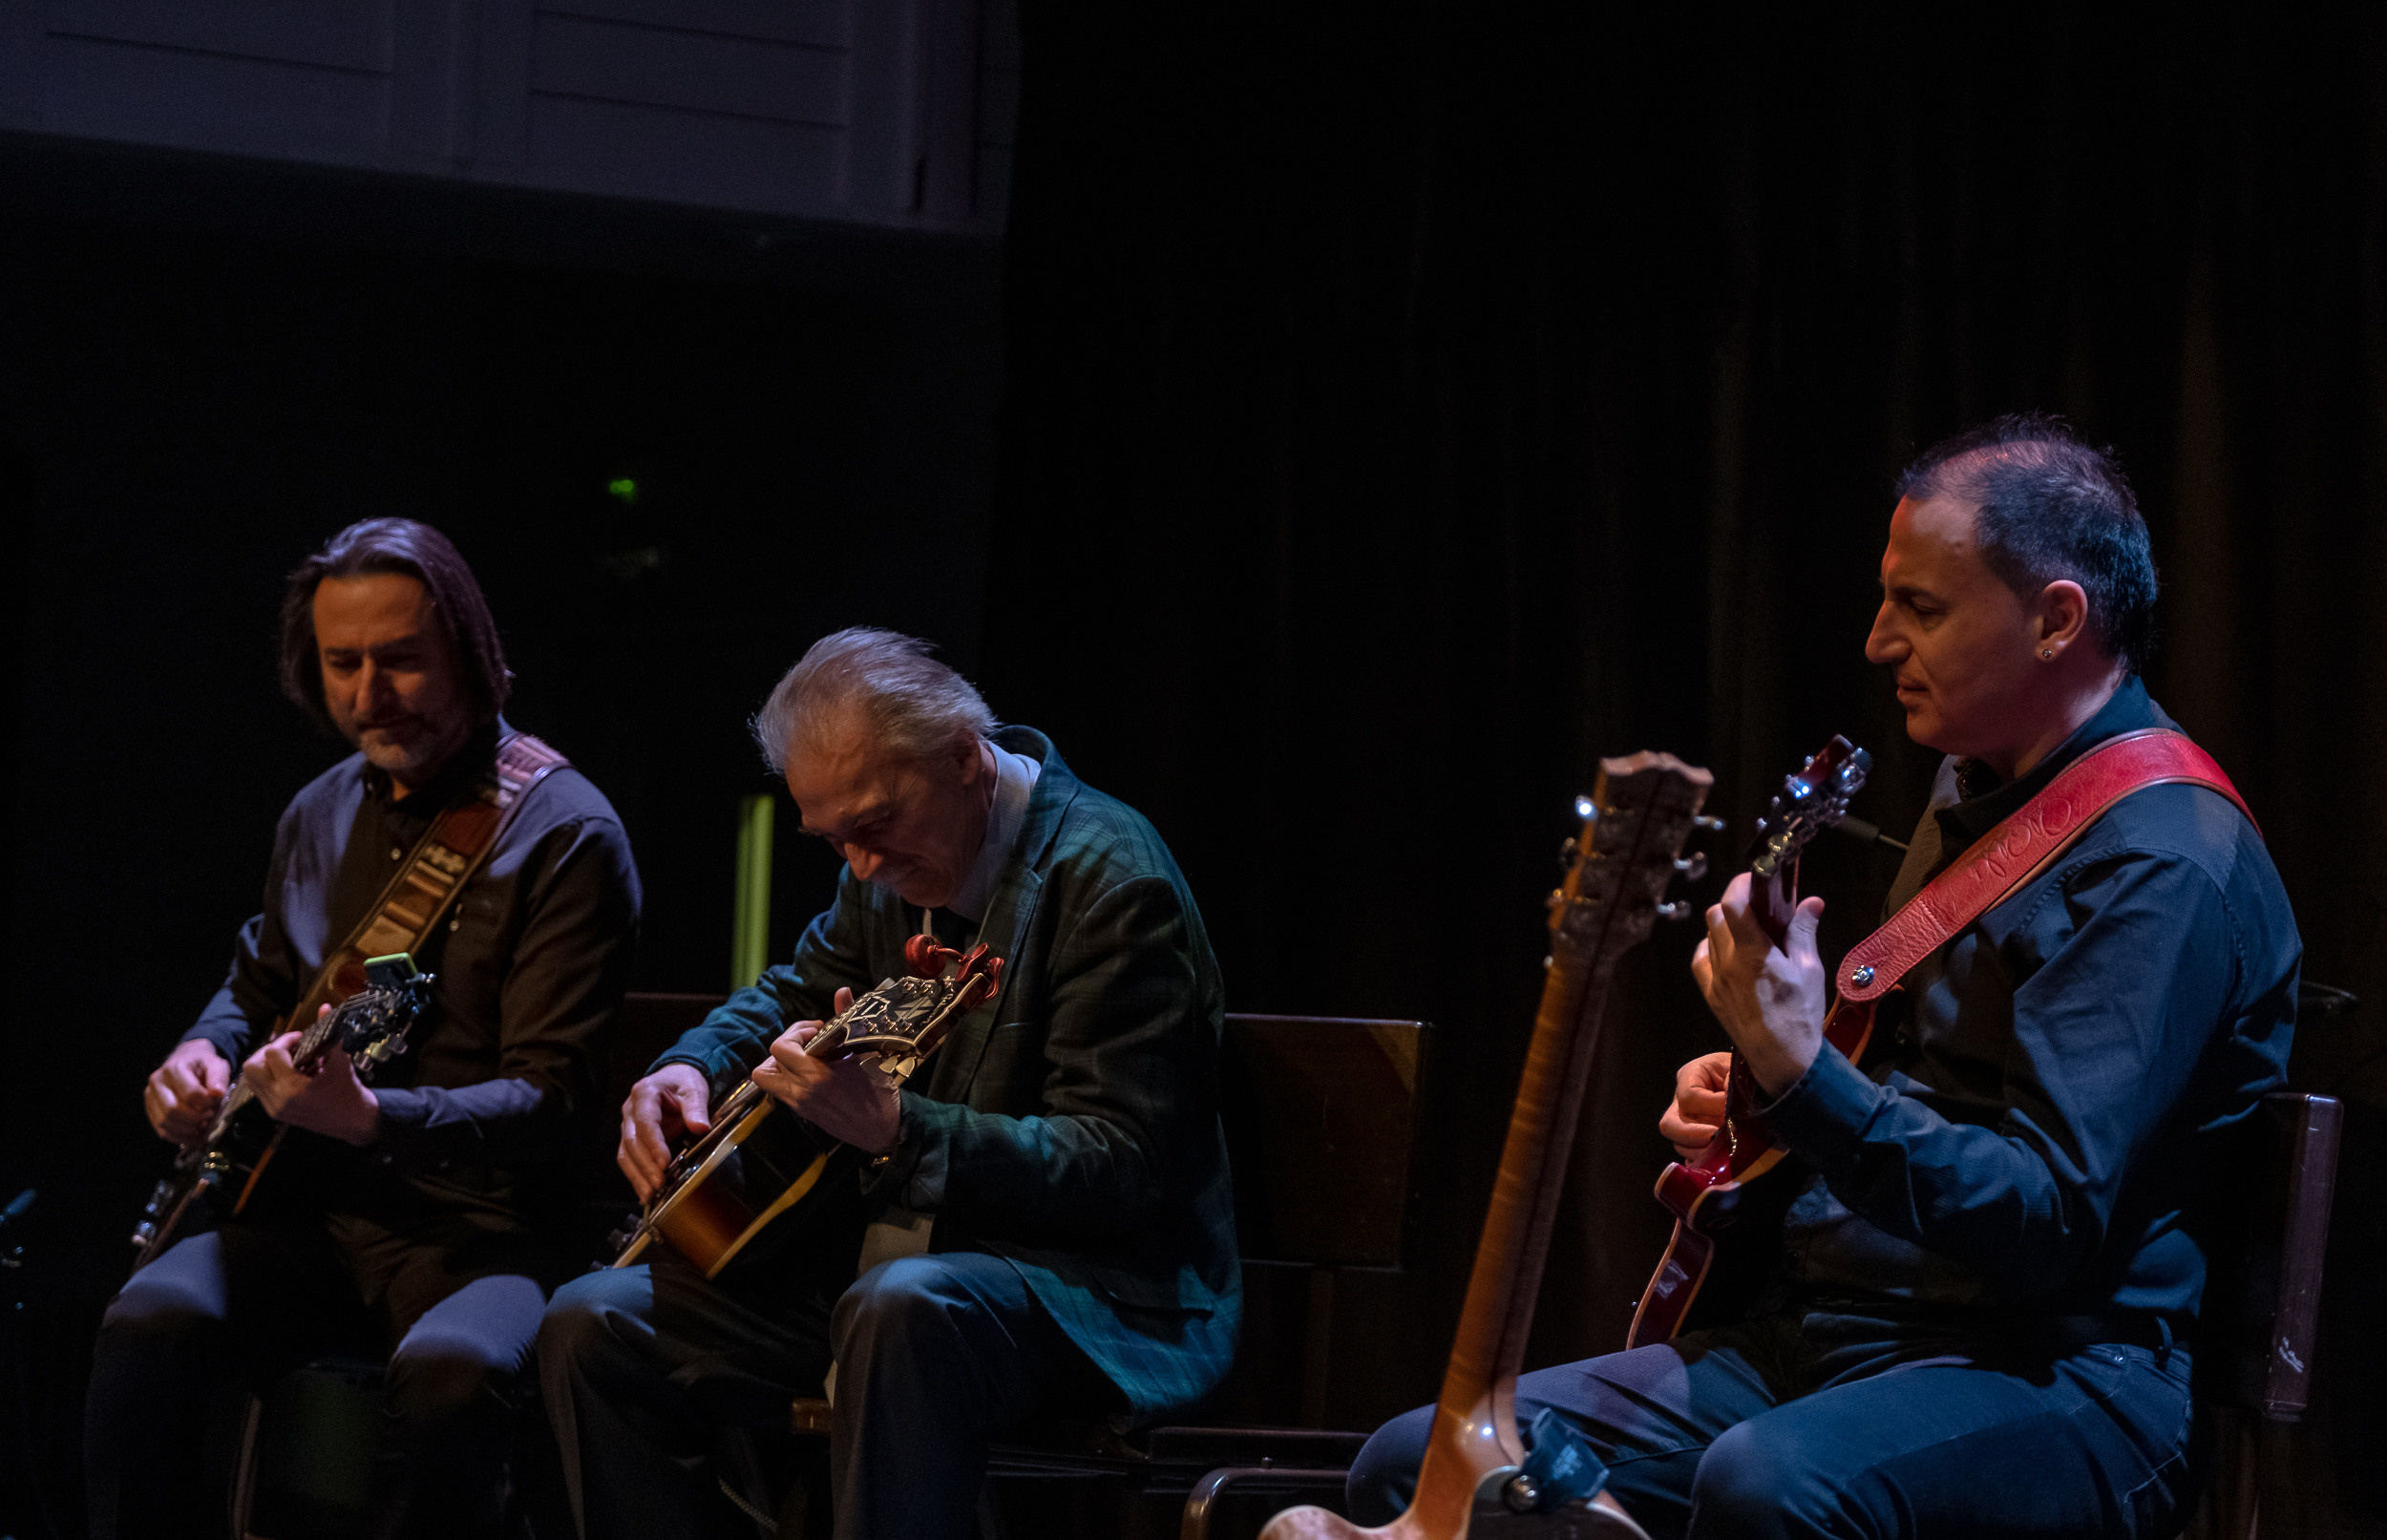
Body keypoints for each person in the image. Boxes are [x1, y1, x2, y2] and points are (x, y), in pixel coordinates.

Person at [1347, 414, 2298, 1539]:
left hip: (2062, 1377)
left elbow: (2044, 1219)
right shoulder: (1975, 793)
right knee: (1421, 1464)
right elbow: (1924, 1093)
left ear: (2054, 618)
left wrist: (1807, 1083)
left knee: (1767, 1485)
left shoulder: (2161, 858)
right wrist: (1757, 1091)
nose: (1877, 642)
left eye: (1922, 608)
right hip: (1838, 1338)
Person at [537, 627, 1239, 1540]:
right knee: (592, 1323)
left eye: (872, 826)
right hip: (886, 1279)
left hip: (1085, 1296)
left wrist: (900, 1131)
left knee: (903, 1308)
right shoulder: (887, 872)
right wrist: (685, 1066)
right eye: (833, 840)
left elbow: (1120, 1163)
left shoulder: (1111, 881)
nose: (860, 864)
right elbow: (789, 988)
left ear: (961, 756)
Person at [86, 517, 642, 1540]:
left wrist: (375, 1116)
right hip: (311, 1218)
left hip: (487, 1235)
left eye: (401, 660)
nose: (367, 694)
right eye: (342, 664)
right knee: (143, 1326)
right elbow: (254, 979)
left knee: (452, 1381)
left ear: (471, 654)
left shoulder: (564, 830)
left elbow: (555, 1097)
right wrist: (195, 1053)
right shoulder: (317, 810)